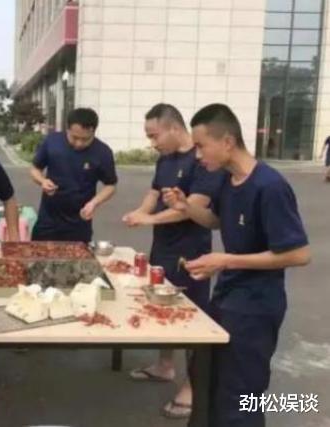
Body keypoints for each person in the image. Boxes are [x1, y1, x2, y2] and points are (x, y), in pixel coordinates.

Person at [162, 104, 311, 427]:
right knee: (209, 381)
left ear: (227, 142)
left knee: (241, 395)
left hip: (257, 306)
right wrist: (186, 207)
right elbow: (216, 220)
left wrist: (226, 260)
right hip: (227, 297)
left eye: (201, 146)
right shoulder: (227, 181)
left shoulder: (269, 186)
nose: (197, 155)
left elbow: (299, 254)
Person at [122, 104, 224, 419]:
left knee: (192, 320)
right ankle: (165, 366)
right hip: (163, 249)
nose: (152, 143)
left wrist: (149, 220)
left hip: (190, 253)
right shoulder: (165, 159)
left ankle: (192, 387)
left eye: (154, 135)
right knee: (161, 306)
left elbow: (191, 207)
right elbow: (154, 193)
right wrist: (141, 211)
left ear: (174, 128)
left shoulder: (202, 160)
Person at [30, 108, 117, 242]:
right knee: (39, 253)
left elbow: (110, 186)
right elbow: (35, 169)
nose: (79, 143)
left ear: (93, 131)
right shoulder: (52, 142)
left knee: (78, 255)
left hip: (80, 223)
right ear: (68, 129)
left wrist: (94, 203)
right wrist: (42, 181)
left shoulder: (103, 152)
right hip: (48, 221)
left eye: (85, 139)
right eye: (74, 137)